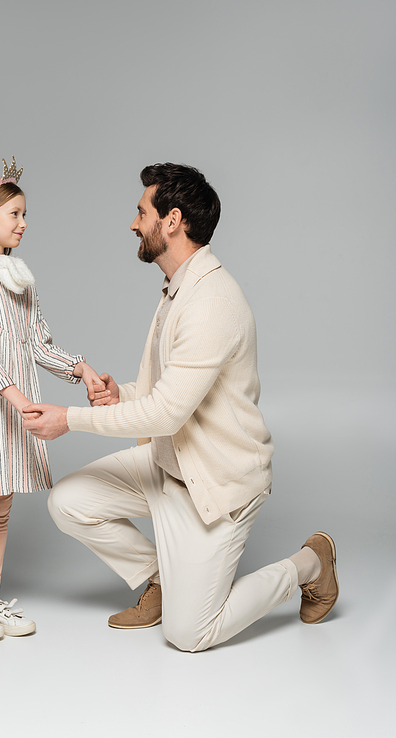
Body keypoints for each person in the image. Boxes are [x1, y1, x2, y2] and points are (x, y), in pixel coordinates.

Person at [23, 163, 339, 652]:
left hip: (214, 483)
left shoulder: (212, 300)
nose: (133, 223)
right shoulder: (177, 289)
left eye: (141, 211)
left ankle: (309, 564)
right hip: (169, 466)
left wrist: (70, 419)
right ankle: (162, 578)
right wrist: (121, 394)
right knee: (69, 501)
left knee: (190, 634)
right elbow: (169, 392)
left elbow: (168, 413)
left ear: (172, 221)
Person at [0, 157, 104, 642]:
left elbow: (38, 342)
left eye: (25, 214)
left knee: (1, 502)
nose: (24, 223)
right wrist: (17, 396)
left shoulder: (16, 277)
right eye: (15, 214)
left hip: (11, 408)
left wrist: (81, 369)